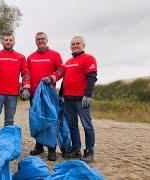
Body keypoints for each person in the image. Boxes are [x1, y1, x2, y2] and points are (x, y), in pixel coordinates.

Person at [61, 36, 98, 164]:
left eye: (78, 43)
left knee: (87, 125)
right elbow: (64, 80)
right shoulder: (68, 62)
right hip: (68, 99)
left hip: (82, 100)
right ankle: (76, 149)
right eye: (73, 44)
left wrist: (88, 95)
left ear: (83, 45)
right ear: (70, 46)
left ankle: (89, 151)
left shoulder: (88, 59)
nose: (75, 45)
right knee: (72, 125)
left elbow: (92, 77)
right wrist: (61, 94)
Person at [27, 32, 64, 161]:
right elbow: (27, 74)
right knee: (37, 120)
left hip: (49, 93)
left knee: (51, 120)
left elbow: (61, 69)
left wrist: (52, 77)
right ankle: (39, 146)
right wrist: (24, 87)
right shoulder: (30, 57)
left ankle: (52, 148)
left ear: (47, 40)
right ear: (35, 41)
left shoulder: (55, 54)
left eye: (43, 39)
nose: (41, 41)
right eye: (38, 39)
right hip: (34, 94)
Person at [0, 32, 30, 137]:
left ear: (14, 42)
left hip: (12, 94)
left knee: (9, 120)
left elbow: (25, 73)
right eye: (6, 40)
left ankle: (7, 141)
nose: (8, 42)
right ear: (2, 42)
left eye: (10, 40)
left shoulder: (20, 57)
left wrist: (26, 87)